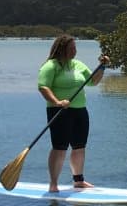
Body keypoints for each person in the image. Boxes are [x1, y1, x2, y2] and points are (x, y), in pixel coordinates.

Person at [38, 35, 110, 192]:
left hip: (80, 111)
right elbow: (43, 87)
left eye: (75, 48)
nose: (74, 51)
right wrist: (57, 102)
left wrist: (102, 67)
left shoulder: (78, 64)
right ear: (62, 49)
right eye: (71, 48)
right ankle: (53, 184)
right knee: (60, 148)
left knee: (79, 147)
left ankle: (78, 180)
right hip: (59, 111)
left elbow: (93, 81)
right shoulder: (51, 66)